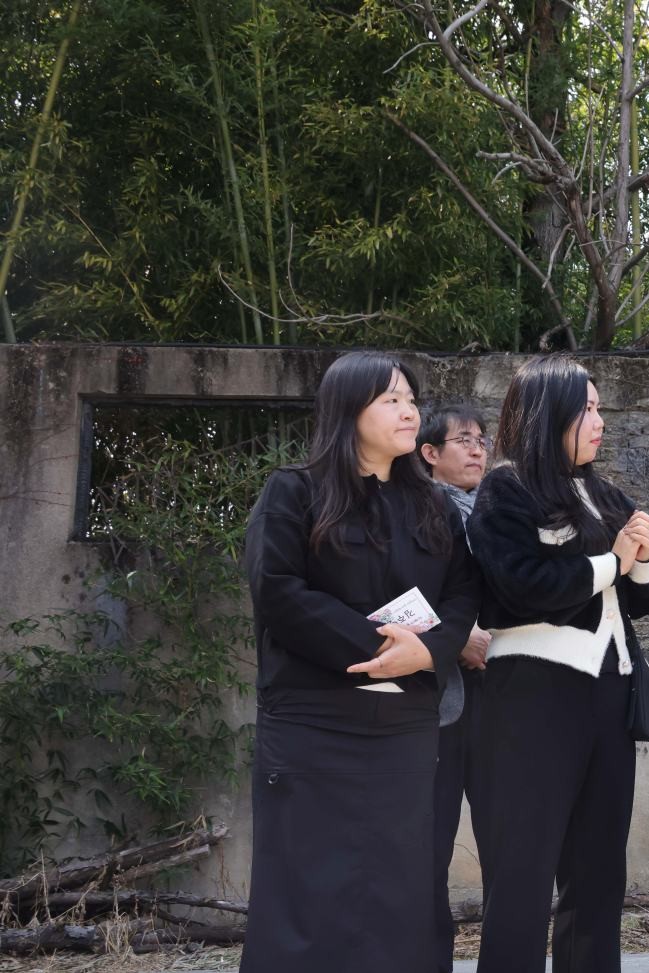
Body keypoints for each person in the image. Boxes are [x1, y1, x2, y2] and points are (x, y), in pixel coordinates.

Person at [240, 352, 480, 973]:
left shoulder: (432, 505)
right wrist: (379, 648)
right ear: (349, 411)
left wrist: (430, 649)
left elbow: (463, 593)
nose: (409, 412)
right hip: (313, 724)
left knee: (399, 886)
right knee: (306, 887)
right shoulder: (293, 491)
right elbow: (279, 591)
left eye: (410, 399)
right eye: (391, 400)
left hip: (404, 730)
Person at [465, 356, 649, 973]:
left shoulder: (605, 493)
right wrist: (613, 560)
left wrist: (648, 556)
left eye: (600, 407)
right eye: (588, 409)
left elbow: (643, 598)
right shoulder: (506, 487)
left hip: (611, 691)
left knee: (599, 871)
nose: (600, 421)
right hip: (531, 694)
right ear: (547, 414)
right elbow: (524, 585)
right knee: (522, 871)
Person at [416, 402, 494, 973]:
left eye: (483, 440)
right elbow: (390, 593)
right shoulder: (412, 510)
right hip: (438, 704)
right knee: (430, 847)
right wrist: (455, 637)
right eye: (463, 440)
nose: (477, 449)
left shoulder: (499, 510)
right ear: (429, 454)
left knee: (508, 844)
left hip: (503, 700)